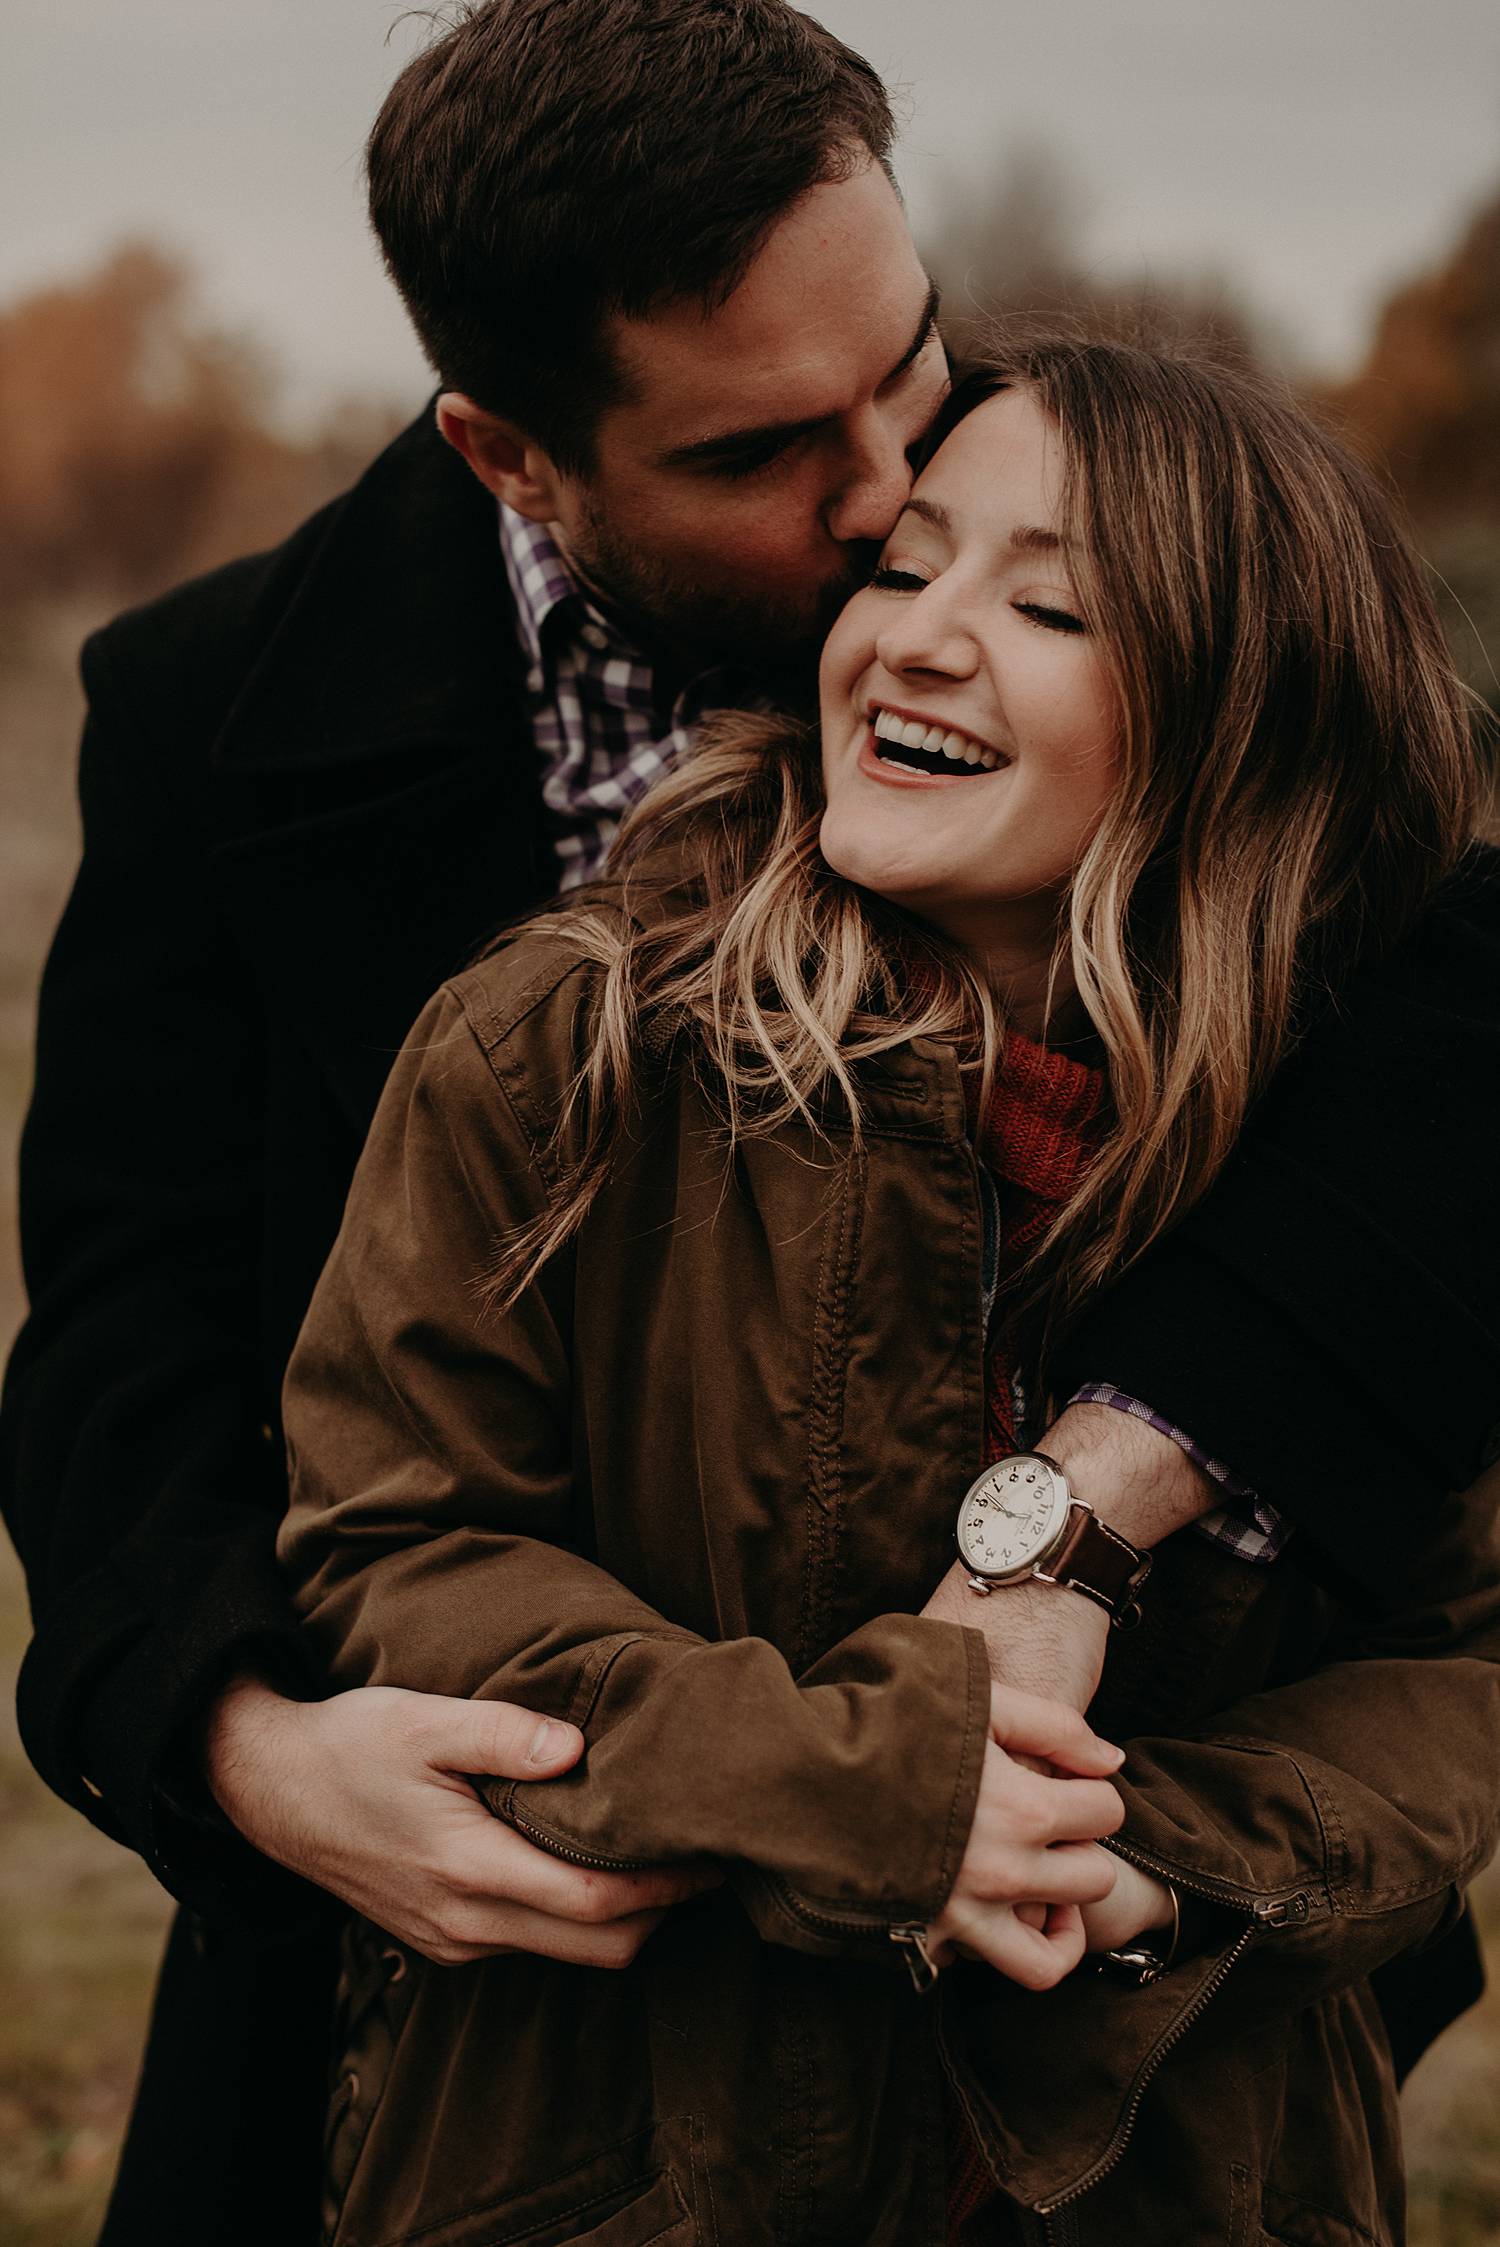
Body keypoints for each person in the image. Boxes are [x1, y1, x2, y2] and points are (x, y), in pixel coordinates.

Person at [1, 2, 1497, 2240]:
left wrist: (1146, 1801)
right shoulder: (262, 755)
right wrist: (247, 1745)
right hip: (547, 2038)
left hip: (1129, 2099)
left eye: (915, 361)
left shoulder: (1195, 704)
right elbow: (142, 1343)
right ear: (516, 457)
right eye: (782, 455)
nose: (900, 491)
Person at [277, 338, 1500, 2245]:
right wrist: (872, 1795)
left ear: (1246, 722)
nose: (920, 636)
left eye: (1050, 602)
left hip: (1184, 2173)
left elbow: (1455, 1668)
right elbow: (399, 1543)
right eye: (904, 564)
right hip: (611, 2165)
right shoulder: (570, 1048)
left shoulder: (1364, 1174)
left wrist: (1153, 1869)